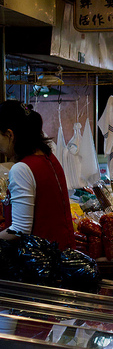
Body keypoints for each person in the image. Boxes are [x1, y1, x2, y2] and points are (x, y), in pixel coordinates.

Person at [0, 101, 75, 250]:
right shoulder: (49, 158)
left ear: (10, 135)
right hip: (60, 254)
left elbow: (20, 229)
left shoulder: (22, 169)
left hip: (40, 258)